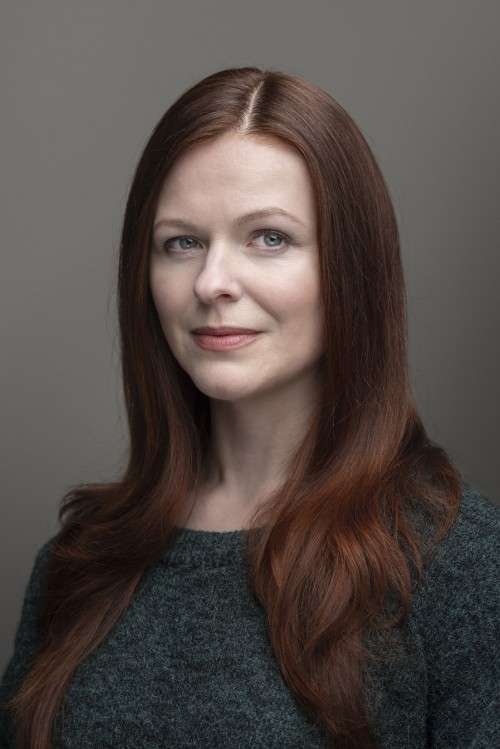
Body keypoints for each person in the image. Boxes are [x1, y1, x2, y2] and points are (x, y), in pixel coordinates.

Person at [1, 67, 499, 749]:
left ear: (351, 268)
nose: (212, 282)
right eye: (182, 242)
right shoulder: (79, 561)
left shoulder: (459, 565)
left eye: (269, 237)